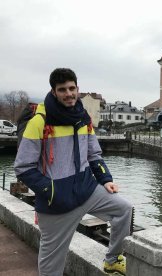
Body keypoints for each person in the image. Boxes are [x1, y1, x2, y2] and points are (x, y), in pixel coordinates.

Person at [14, 68, 132, 276]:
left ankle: (112, 260)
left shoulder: (82, 117)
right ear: (53, 92)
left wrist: (106, 179)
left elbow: (94, 154)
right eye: (62, 90)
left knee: (124, 210)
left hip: (87, 191)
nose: (68, 93)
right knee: (51, 267)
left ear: (77, 88)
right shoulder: (39, 122)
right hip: (56, 203)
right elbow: (23, 167)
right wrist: (52, 192)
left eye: (72, 88)